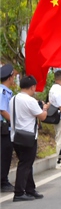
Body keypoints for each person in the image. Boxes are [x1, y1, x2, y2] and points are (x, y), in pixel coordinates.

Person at [9, 75, 47, 202]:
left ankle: (30, 189)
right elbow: (42, 117)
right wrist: (45, 108)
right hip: (28, 137)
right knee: (25, 164)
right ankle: (19, 192)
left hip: (15, 136)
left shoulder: (13, 99)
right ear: (32, 87)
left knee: (26, 163)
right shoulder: (30, 101)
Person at [0, 64, 16, 192]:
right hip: (3, 128)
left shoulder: (6, 91)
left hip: (6, 128)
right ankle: (3, 182)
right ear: (10, 78)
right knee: (4, 154)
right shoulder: (3, 92)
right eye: (13, 76)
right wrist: (15, 122)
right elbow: (2, 110)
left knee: (6, 154)